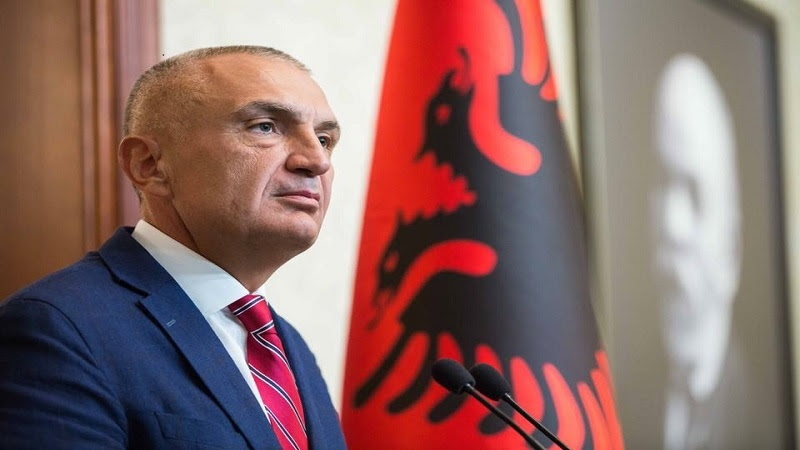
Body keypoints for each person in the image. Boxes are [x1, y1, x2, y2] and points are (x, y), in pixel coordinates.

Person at [0, 45, 347, 449]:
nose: (316, 160)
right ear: (148, 165)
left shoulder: (288, 346)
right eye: (265, 126)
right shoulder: (56, 328)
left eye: (324, 139)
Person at [650, 53, 747, 450]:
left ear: (733, 248)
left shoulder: (753, 410)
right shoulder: (633, 400)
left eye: (693, 190)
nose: (672, 225)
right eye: (662, 182)